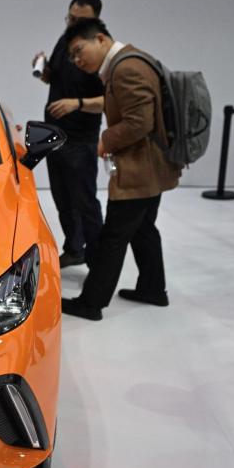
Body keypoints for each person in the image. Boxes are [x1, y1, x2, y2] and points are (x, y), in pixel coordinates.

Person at [60, 18, 181, 321]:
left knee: (112, 237)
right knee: (143, 229)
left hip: (139, 168)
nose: (77, 60)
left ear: (100, 39)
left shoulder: (126, 68)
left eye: (78, 51)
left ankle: (91, 303)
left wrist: (105, 140)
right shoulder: (133, 59)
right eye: (72, 57)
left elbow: (140, 123)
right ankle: (153, 288)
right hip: (153, 166)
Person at [33, 0, 106, 269]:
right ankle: (75, 249)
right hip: (55, 133)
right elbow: (57, 77)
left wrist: (76, 104)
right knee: (62, 197)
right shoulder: (66, 41)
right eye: (70, 18)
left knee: (84, 201)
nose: (72, 24)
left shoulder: (99, 53)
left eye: (79, 21)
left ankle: (99, 262)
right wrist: (43, 72)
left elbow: (110, 101)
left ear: (96, 22)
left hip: (81, 138)